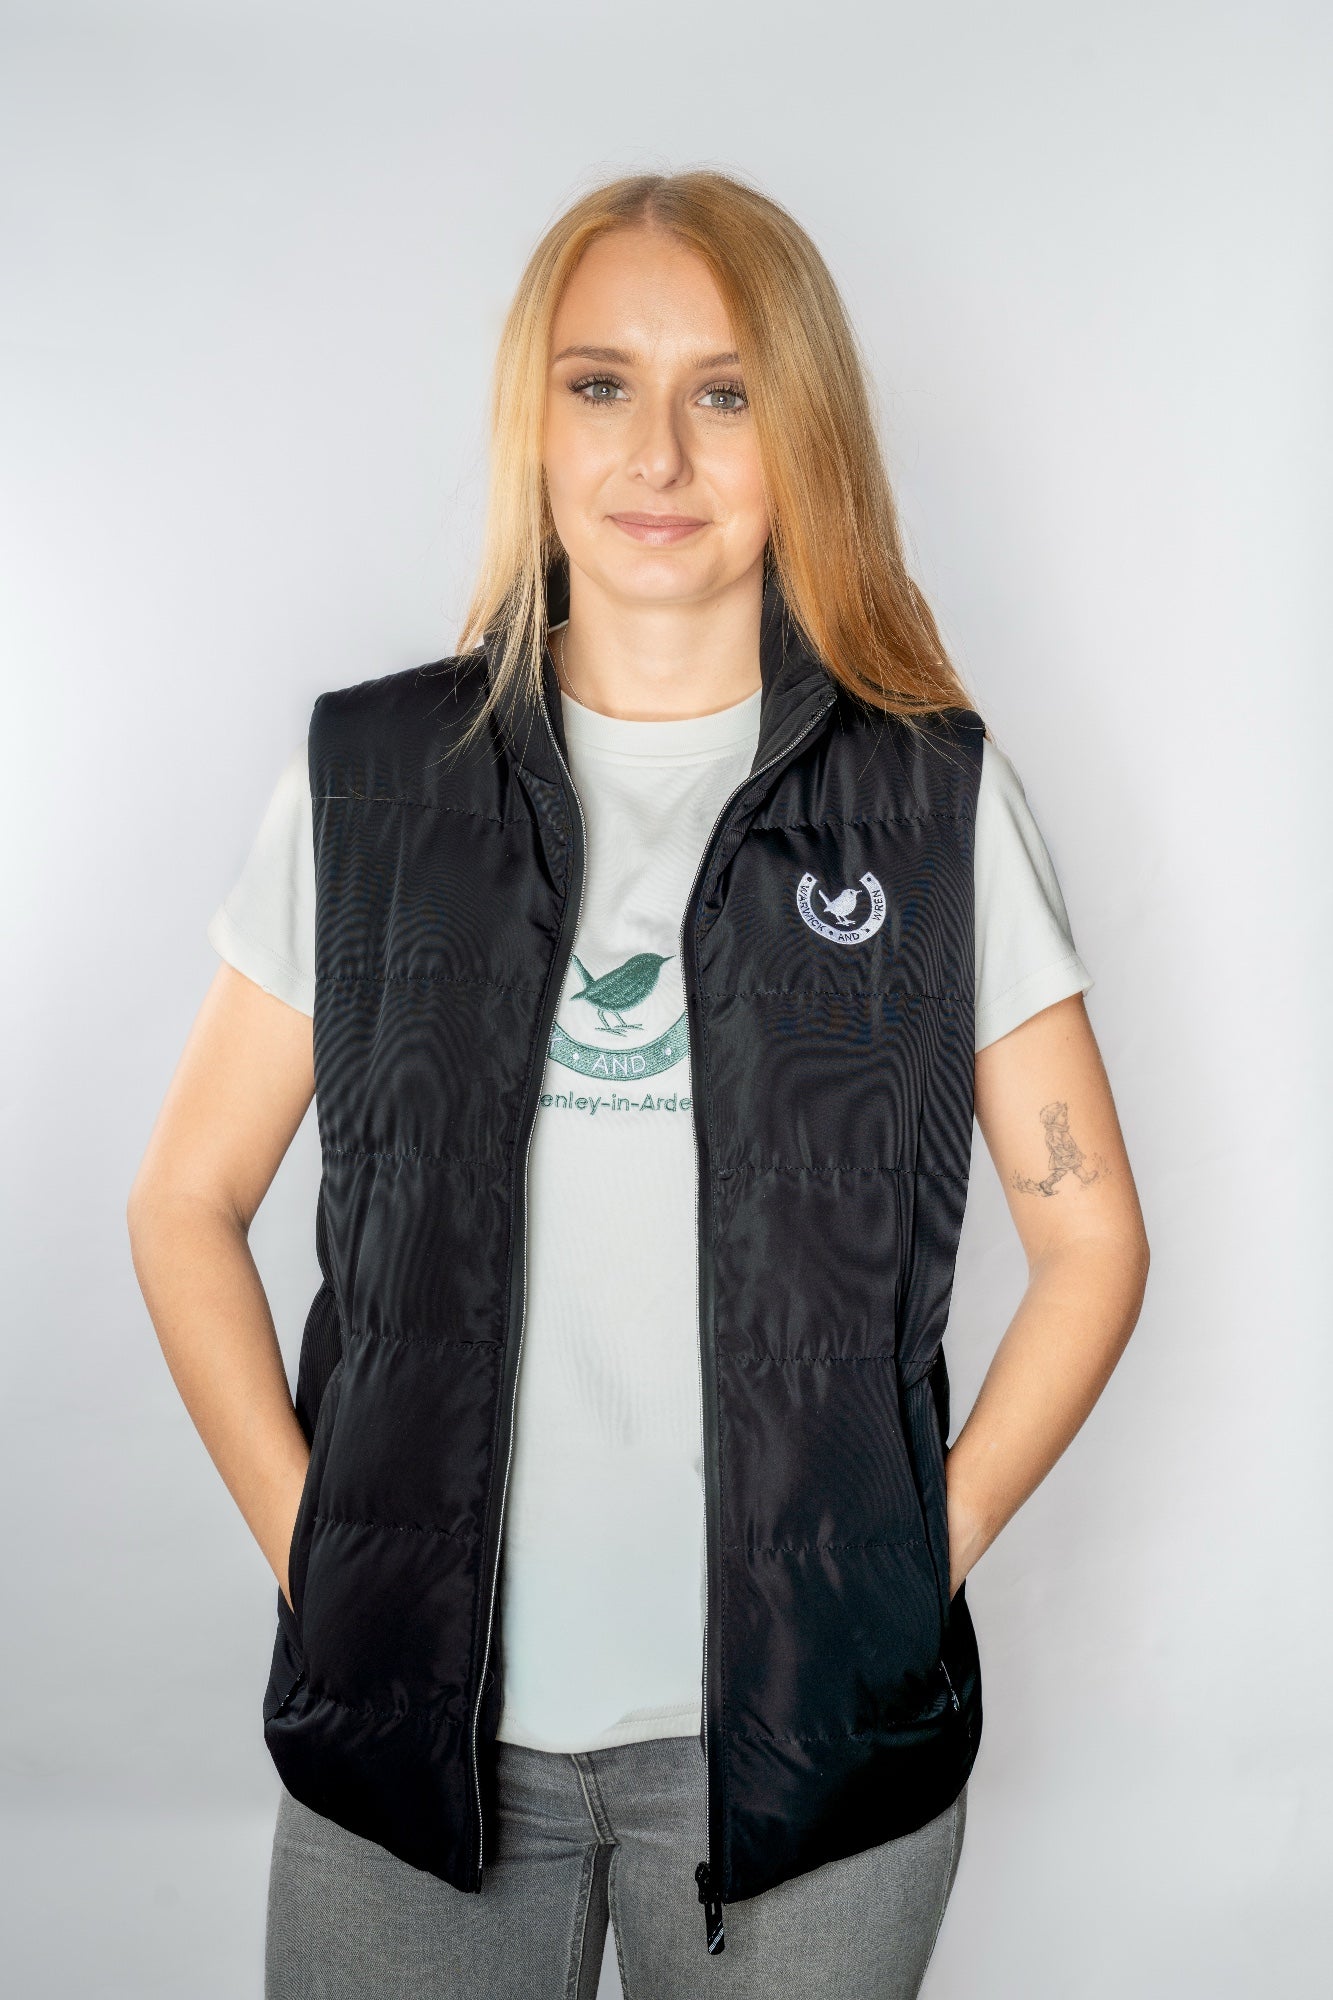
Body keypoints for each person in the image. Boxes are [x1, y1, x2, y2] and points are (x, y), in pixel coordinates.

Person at [127, 169, 1150, 1999]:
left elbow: (1090, 1239)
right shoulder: (371, 785)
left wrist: (924, 1553)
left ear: (802, 432)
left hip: (805, 1759)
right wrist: (318, 1548)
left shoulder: (927, 806)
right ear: (533, 423)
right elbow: (182, 1203)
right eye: (600, 384)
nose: (657, 452)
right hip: (415, 1747)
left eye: (724, 392)